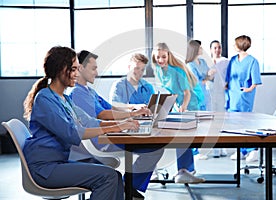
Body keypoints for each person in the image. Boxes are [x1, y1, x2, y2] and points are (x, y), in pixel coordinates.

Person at [22, 46, 139, 200]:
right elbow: (73, 132)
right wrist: (118, 126)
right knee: (108, 177)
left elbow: (89, 121)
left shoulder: (65, 99)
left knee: (115, 177)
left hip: (58, 162)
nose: (77, 74)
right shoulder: (44, 99)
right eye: (74, 69)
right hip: (45, 169)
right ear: (61, 69)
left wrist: (123, 123)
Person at [68, 50, 164, 199]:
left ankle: (128, 187)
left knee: (154, 146)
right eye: (93, 68)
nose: (97, 72)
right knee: (154, 147)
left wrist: (134, 107)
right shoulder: (78, 93)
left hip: (108, 133)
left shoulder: (89, 91)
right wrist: (132, 115)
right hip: (100, 140)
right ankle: (128, 186)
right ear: (80, 68)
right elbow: (103, 114)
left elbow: (111, 107)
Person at [152, 42, 205, 183]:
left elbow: (187, 93)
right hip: (178, 104)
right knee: (179, 135)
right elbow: (169, 90)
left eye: (164, 56)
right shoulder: (157, 70)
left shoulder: (177, 71)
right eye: (158, 57)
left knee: (184, 135)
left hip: (190, 103)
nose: (161, 60)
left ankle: (185, 170)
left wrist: (183, 107)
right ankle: (185, 170)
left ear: (168, 55)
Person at [225, 35, 262, 162]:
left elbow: (255, 80)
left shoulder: (252, 61)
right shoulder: (233, 60)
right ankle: (241, 150)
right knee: (235, 125)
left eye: (235, 44)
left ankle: (253, 150)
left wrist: (249, 89)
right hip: (232, 95)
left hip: (244, 97)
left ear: (240, 45)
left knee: (246, 123)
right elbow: (228, 76)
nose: (233, 46)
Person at [209, 40, 229, 158]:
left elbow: (228, 76)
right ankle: (215, 149)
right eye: (215, 48)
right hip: (210, 94)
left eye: (219, 47)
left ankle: (223, 147)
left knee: (222, 121)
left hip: (221, 93)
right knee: (212, 122)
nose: (217, 50)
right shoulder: (207, 62)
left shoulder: (225, 61)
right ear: (211, 49)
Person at [185, 39, 214, 111]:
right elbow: (196, 83)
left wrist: (211, 75)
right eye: (200, 47)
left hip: (205, 96)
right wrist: (208, 77)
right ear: (195, 49)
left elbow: (210, 76)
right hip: (196, 96)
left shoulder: (203, 62)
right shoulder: (190, 65)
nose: (202, 49)